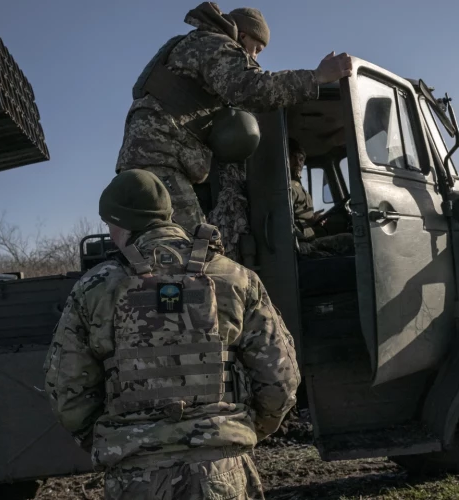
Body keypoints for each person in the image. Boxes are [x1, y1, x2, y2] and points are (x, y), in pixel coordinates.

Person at [44, 169, 301, 499]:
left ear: (121, 222)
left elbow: (66, 390)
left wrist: (118, 440)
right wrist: (237, 431)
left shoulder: (94, 289)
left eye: (109, 223)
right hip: (222, 473)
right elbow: (280, 378)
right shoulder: (235, 278)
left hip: (135, 480)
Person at [117, 2, 353, 239]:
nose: (254, 57)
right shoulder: (215, 45)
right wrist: (317, 77)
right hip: (161, 159)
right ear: (242, 36)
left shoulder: (194, 43)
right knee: (195, 251)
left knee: (168, 247)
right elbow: (251, 89)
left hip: (151, 156)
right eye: (256, 48)